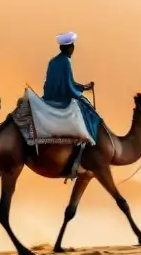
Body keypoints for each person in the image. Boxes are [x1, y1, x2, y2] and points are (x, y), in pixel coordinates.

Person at [42, 32, 100, 176]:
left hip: (49, 96)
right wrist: (81, 92)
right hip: (60, 99)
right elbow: (69, 87)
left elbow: (67, 82)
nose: (73, 49)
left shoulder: (53, 61)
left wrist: (83, 87)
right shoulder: (66, 62)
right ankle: (78, 158)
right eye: (72, 46)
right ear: (69, 48)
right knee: (86, 113)